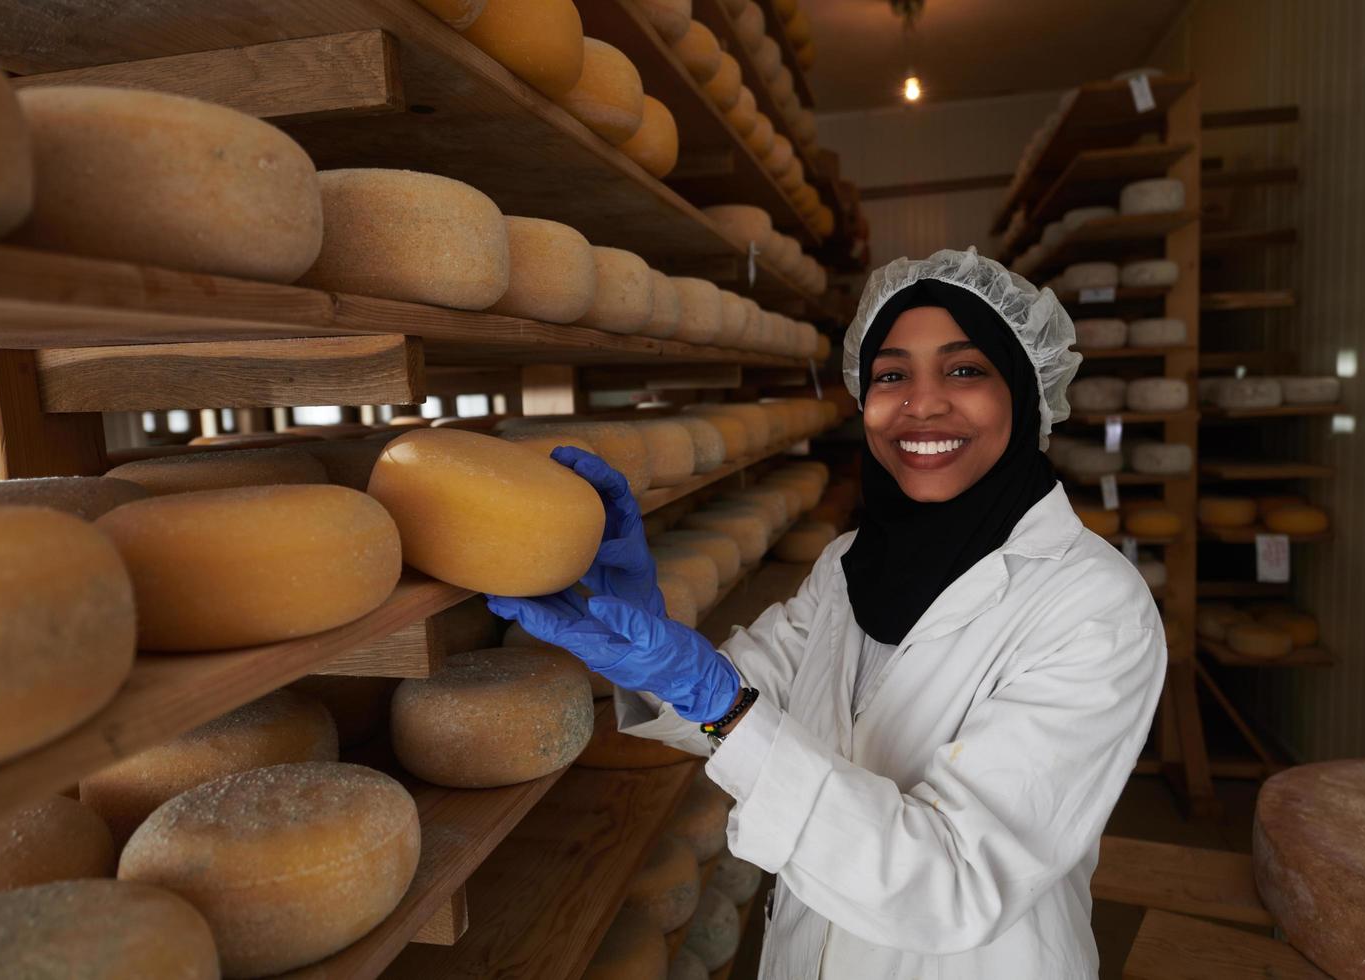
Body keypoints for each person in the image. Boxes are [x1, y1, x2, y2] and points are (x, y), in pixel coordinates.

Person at [488, 247, 1166, 979]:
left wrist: (721, 703)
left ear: (1025, 393)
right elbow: (744, 700)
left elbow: (957, 883)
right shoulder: (851, 565)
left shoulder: (1095, 607)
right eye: (891, 375)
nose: (923, 403)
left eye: (965, 370)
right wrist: (661, 655)